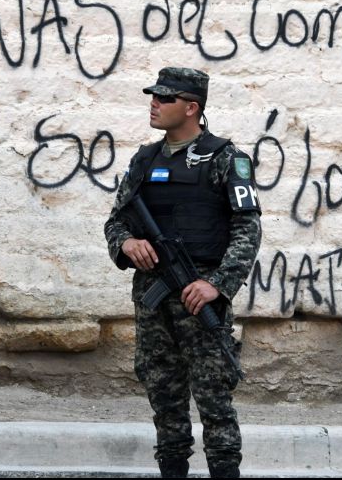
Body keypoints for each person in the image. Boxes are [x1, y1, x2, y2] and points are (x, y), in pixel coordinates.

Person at [104, 67, 262, 478]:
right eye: (153, 96)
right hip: (153, 298)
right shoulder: (144, 160)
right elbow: (116, 220)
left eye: (165, 98)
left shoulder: (227, 158)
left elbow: (248, 229)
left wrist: (217, 285)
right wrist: (126, 243)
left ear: (192, 108)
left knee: (214, 402)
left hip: (199, 297)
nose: (154, 104)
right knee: (164, 397)